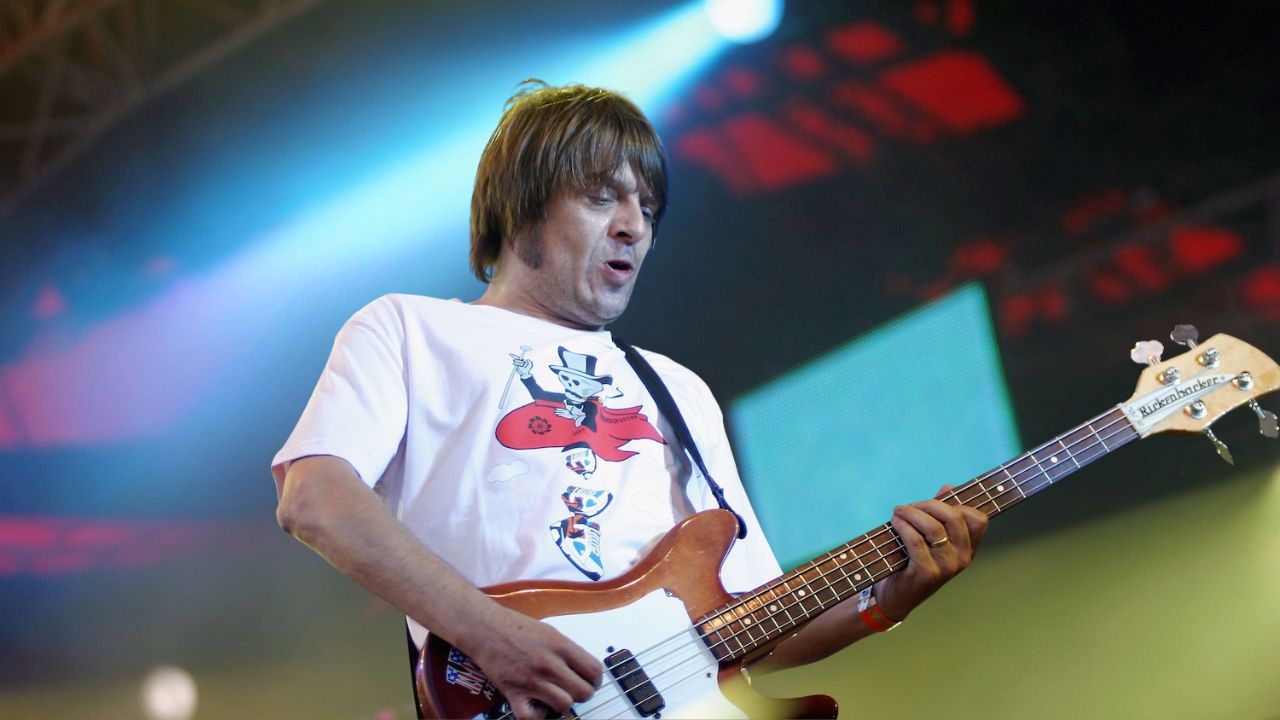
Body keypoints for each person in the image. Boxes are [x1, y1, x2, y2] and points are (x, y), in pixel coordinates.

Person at [272, 81, 988, 720]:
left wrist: (886, 603)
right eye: (601, 196)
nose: (634, 225)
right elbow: (316, 499)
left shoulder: (676, 389)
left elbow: (751, 627)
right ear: (520, 207)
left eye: (647, 207)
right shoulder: (410, 328)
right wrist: (490, 634)